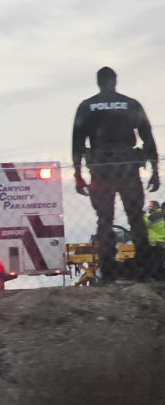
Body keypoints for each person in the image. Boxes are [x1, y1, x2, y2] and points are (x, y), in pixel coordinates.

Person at [73, 66, 160, 282]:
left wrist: (77, 174)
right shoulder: (130, 104)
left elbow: (77, 142)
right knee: (136, 218)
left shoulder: (87, 106)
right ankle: (145, 267)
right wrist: (155, 170)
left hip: (101, 170)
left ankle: (108, 269)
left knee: (104, 219)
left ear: (98, 82)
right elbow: (147, 136)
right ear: (114, 81)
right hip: (127, 167)